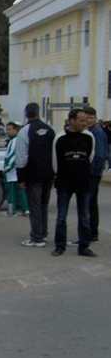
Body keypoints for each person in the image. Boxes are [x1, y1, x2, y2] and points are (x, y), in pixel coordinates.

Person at [52, 108, 97, 258]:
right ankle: (60, 246)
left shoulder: (89, 137)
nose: (85, 123)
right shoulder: (60, 138)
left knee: (84, 216)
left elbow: (90, 157)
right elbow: (55, 162)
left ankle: (84, 246)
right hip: (64, 182)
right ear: (72, 121)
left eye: (86, 120)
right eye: (81, 120)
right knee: (61, 216)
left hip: (83, 182)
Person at [15, 102, 56, 248]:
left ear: (26, 114)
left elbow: (21, 158)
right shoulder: (50, 130)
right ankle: (43, 233)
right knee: (44, 205)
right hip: (48, 174)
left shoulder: (24, 131)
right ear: (39, 112)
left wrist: (21, 178)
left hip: (33, 175)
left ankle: (37, 237)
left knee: (34, 206)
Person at [84, 107, 107, 243]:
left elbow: (99, 155)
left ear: (95, 118)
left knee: (88, 202)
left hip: (93, 173)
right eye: (86, 118)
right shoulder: (90, 131)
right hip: (93, 172)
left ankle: (89, 232)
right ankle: (93, 232)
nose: (88, 120)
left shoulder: (97, 132)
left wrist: (91, 171)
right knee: (92, 203)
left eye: (91, 118)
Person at [2, 122, 28, 217]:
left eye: (10, 129)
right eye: (7, 129)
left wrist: (6, 168)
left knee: (11, 193)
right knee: (20, 192)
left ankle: (12, 211)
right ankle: (25, 209)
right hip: (16, 172)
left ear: (15, 130)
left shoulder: (14, 141)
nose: (7, 131)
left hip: (12, 172)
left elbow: (12, 156)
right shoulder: (16, 140)